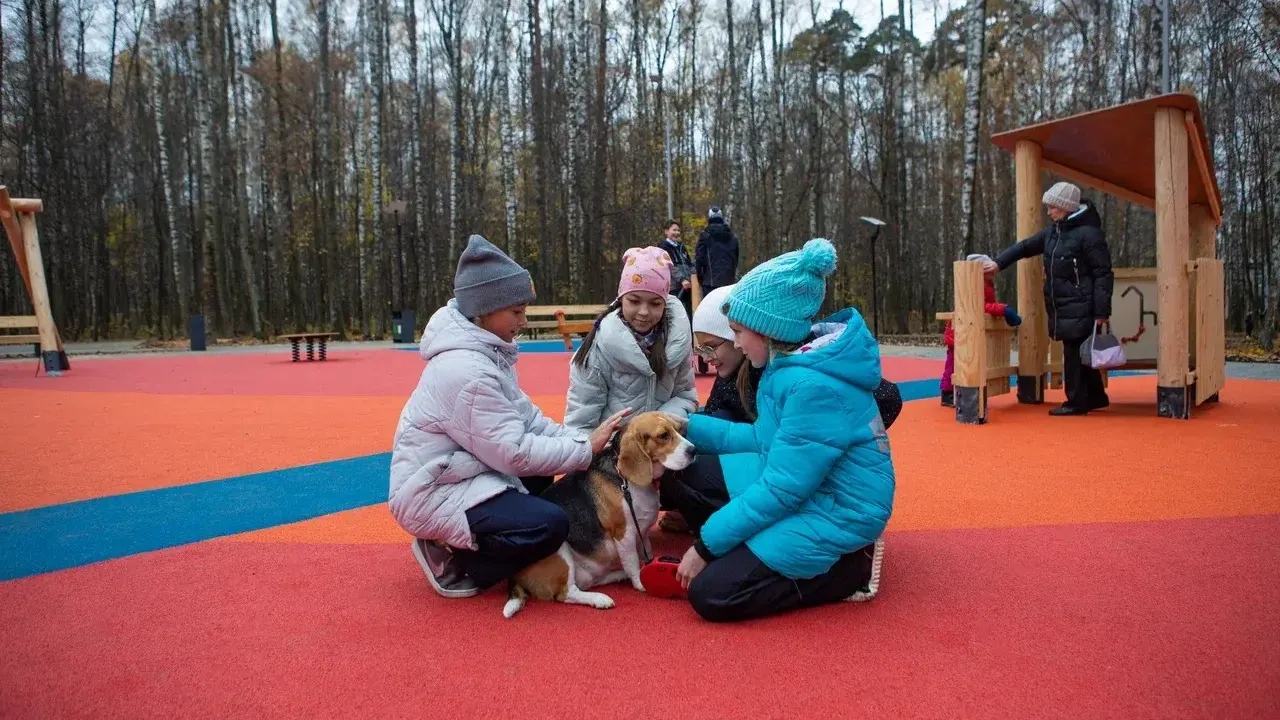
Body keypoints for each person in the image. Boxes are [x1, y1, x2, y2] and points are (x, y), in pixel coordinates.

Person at [660, 238, 896, 623]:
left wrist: (705, 545)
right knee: (687, 469)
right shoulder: (787, 366)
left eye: (737, 330)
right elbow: (760, 440)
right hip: (809, 491)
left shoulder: (811, 387)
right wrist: (688, 427)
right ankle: (758, 549)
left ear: (767, 329)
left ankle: (851, 568)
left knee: (711, 595)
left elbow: (782, 491)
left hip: (839, 511)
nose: (734, 341)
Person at [389, 235, 630, 599]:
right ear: (485, 312)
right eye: (516, 311)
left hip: (462, 471)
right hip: (431, 491)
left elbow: (528, 420)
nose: (524, 319)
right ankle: (459, 561)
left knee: (543, 472)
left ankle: (503, 542)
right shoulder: (466, 371)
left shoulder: (486, 354)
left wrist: (581, 442)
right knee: (550, 525)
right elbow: (513, 452)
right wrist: (584, 449)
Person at [658, 283, 903, 537]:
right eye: (700, 349)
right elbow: (720, 429)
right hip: (773, 464)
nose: (705, 357)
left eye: (711, 346)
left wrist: (825, 443)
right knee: (688, 452)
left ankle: (746, 524)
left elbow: (888, 398)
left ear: (738, 335)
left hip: (795, 473)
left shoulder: (789, 371)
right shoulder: (732, 377)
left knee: (695, 472)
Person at [984, 181, 1113, 416]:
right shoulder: (1054, 232)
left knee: (1073, 352)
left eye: (1053, 206)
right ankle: (1096, 396)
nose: (1049, 211)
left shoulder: (1090, 235)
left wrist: (1101, 312)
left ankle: (1076, 402)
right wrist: (998, 263)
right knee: (1081, 351)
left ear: (1067, 207)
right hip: (1062, 303)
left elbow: (1102, 275)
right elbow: (1024, 247)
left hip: (1082, 303)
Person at [564, 246, 699, 433]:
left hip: (663, 449)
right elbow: (581, 422)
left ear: (665, 303)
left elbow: (686, 397)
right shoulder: (597, 349)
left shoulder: (678, 342)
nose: (644, 312)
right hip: (613, 453)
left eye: (655, 303)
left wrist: (656, 426)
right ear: (621, 299)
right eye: (634, 301)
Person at [941, 253, 1022, 407]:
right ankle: (947, 393)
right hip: (960, 331)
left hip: (969, 329)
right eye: (989, 270)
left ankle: (957, 391)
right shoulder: (972, 286)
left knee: (965, 362)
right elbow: (978, 307)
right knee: (954, 363)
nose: (993, 273)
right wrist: (1003, 309)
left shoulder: (986, 286)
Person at [695, 206, 739, 298]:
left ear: (709, 218)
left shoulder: (705, 236)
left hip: (710, 283)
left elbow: (699, 259)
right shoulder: (732, 238)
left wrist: (700, 278)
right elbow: (735, 260)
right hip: (728, 282)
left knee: (710, 310)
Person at [659, 219, 696, 321]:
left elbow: (689, 263)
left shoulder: (681, 247)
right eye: (674, 230)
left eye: (678, 230)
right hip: (674, 286)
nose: (676, 233)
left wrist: (694, 277)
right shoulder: (663, 247)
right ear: (666, 231)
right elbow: (670, 266)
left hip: (688, 285)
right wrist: (682, 280)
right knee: (675, 313)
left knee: (689, 313)